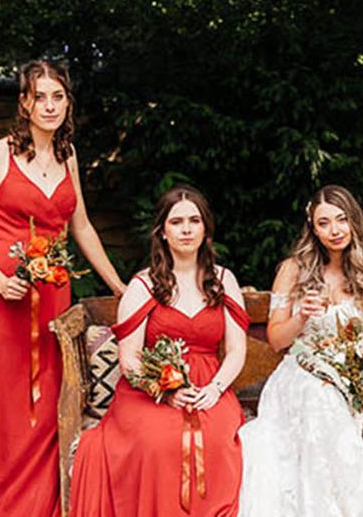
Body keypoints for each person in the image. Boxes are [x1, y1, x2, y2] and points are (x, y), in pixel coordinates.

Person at [0, 60, 126, 517]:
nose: (49, 106)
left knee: (49, 406)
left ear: (68, 103)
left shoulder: (68, 156)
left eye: (58, 97)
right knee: (6, 409)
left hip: (53, 302)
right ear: (24, 103)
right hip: (2, 302)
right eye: (40, 97)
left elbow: (83, 227)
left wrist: (118, 285)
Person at [69, 185, 249, 516]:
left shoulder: (224, 280)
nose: (186, 229)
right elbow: (130, 359)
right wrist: (165, 393)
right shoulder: (143, 285)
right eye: (177, 222)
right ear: (163, 232)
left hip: (210, 385)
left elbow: (237, 350)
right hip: (149, 391)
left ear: (205, 229)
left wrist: (215, 389)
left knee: (218, 441)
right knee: (158, 442)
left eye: (194, 221)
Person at [238, 185, 363, 517]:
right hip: (301, 374)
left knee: (332, 403)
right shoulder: (294, 270)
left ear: (353, 222)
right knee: (320, 399)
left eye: (342, 220)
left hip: (349, 380)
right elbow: (276, 339)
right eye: (324, 223)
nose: (335, 230)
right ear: (313, 229)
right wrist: (302, 316)